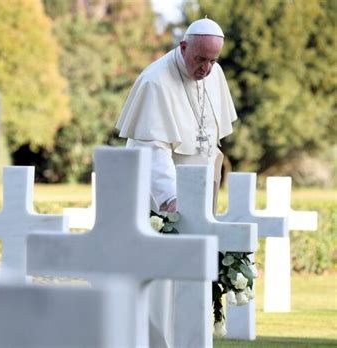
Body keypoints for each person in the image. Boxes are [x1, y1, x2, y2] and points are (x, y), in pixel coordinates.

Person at [115, 18, 238, 347]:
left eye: (213, 60)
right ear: (183, 47)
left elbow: (211, 141)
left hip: (200, 195)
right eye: (200, 59)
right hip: (164, 201)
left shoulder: (216, 75)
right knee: (162, 281)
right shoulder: (155, 81)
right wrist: (172, 199)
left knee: (195, 278)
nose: (207, 69)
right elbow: (152, 151)